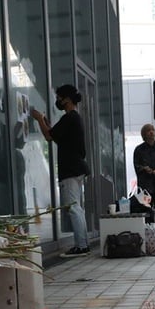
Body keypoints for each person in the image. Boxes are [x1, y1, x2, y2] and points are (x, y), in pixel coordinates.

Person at [31, 84, 90, 257]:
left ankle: (81, 245)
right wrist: (45, 123)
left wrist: (39, 119)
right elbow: (57, 137)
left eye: (59, 97)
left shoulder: (70, 118)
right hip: (76, 168)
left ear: (67, 99)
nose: (57, 100)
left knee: (73, 208)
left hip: (71, 169)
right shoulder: (73, 118)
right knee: (76, 207)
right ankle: (83, 243)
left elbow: (48, 136)